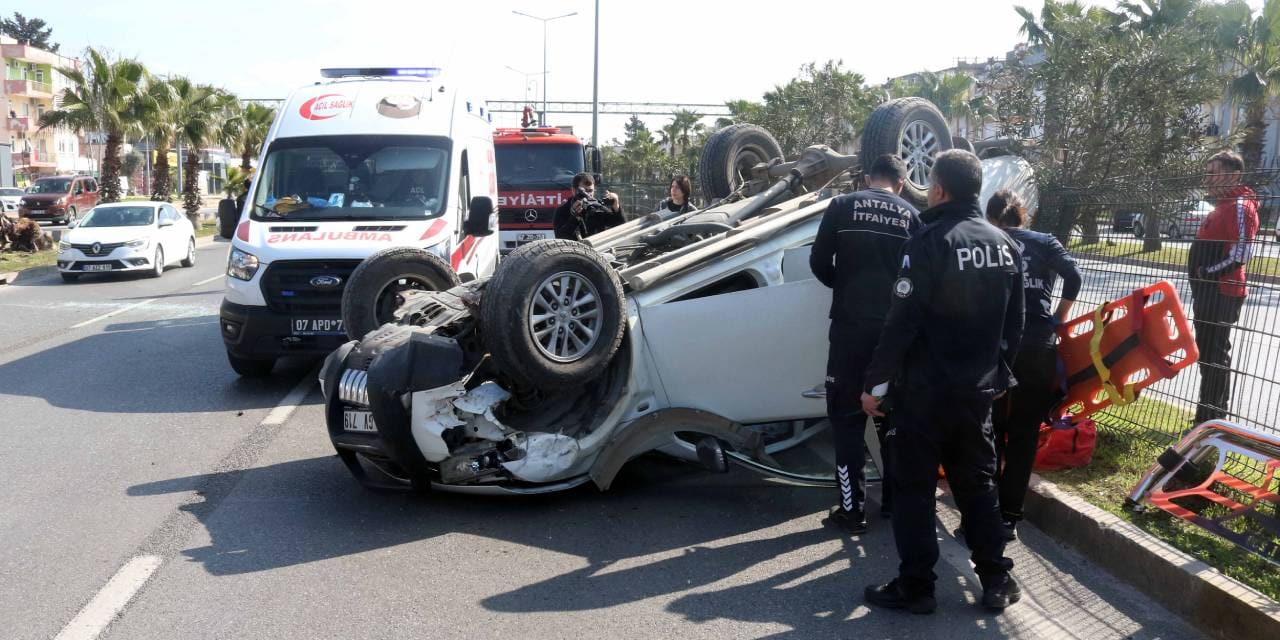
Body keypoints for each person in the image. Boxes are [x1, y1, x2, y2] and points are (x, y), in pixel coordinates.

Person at [860, 149, 1024, 614]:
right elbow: (1015, 327)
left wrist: (876, 386)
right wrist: (995, 377)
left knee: (914, 490)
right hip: (976, 394)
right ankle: (995, 579)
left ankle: (917, 587)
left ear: (939, 189)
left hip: (922, 396)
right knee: (977, 485)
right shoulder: (1005, 244)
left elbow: (901, 323)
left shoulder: (928, 242)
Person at [809, 154, 921, 534]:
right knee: (893, 419)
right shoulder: (911, 216)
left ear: (867, 178)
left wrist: (844, 287)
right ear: (901, 184)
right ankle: (893, 504)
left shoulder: (841, 206)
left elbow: (818, 261)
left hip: (849, 330)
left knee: (846, 420)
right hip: (894, 334)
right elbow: (919, 277)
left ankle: (851, 510)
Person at [986, 189, 1081, 541]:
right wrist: (1057, 317)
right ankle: (1010, 517)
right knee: (1024, 435)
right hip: (1038, 346)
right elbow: (1073, 277)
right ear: (1022, 214)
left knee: (989, 432)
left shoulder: (986, 240)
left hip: (996, 348)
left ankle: (982, 515)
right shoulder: (1045, 242)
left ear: (991, 216)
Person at [1187, 150, 1258, 426]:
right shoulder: (1222, 204)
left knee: (1215, 355)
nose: (1207, 180)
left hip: (1222, 292)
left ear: (1234, 174)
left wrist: (1207, 273)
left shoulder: (1241, 205)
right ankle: (1207, 417)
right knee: (1207, 355)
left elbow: (1241, 253)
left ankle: (1212, 418)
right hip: (1207, 292)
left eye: (1213, 173)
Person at [553, 172, 624, 241]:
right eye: (584, 191)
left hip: (595, 250)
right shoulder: (563, 210)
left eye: (590, 191)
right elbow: (560, 237)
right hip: (573, 251)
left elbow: (621, 228)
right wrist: (574, 217)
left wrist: (616, 206)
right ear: (574, 190)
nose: (588, 195)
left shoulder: (597, 207)